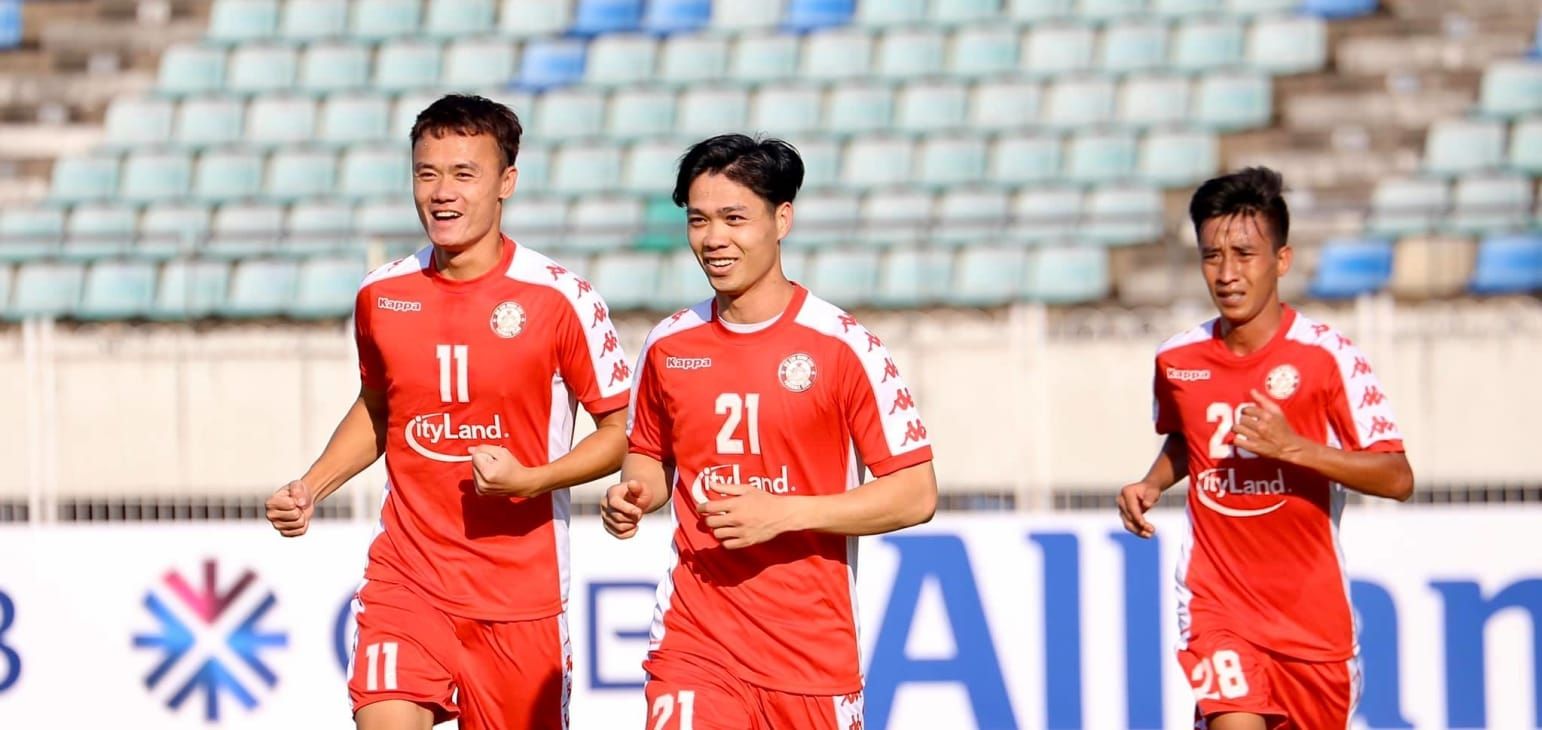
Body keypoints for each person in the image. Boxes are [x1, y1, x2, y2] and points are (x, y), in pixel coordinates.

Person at [264, 94, 633, 730]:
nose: (442, 193)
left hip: (519, 598)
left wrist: (533, 480)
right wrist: (311, 486)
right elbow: (380, 408)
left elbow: (622, 431)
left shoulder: (559, 298)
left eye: (464, 173)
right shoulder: (382, 294)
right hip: (407, 580)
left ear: (506, 182)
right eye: (426, 173)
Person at [599, 133, 938, 730]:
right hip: (694, 642)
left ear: (782, 220)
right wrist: (635, 494)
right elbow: (648, 455)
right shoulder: (668, 343)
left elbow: (916, 493)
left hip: (810, 657)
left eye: (734, 218)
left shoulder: (843, 346)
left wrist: (783, 513)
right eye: (699, 220)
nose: (713, 238)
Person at [1117, 167, 1414, 730]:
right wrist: (1152, 482)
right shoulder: (1177, 360)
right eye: (1212, 256)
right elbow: (1188, 437)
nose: (1227, 273)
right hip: (1216, 603)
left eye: (1244, 255)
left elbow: (1397, 477)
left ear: (1282, 260)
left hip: (1313, 626)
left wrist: (1294, 449)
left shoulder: (1328, 357)